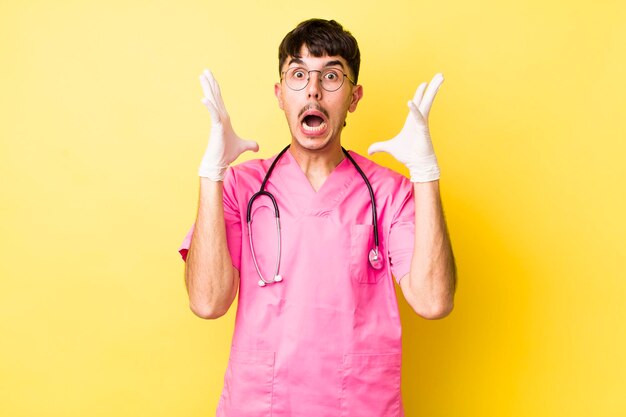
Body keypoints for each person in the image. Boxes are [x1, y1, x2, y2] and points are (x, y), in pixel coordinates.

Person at [179, 18, 456, 417]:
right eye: (298, 74)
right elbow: (207, 302)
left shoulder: (390, 193)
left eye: (331, 76)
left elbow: (433, 301)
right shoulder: (242, 187)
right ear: (279, 94)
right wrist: (211, 174)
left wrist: (426, 174)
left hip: (360, 405)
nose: (312, 89)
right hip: (260, 405)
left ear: (354, 97)